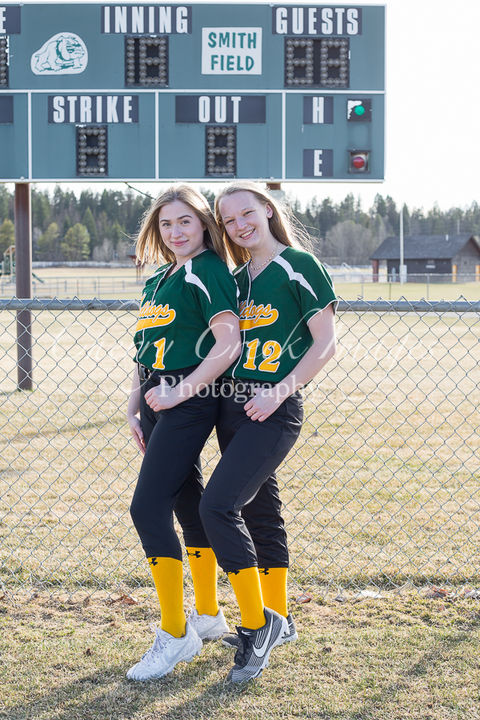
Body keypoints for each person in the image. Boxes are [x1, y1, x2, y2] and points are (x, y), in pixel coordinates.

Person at [198, 181, 337, 683]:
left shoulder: (299, 264)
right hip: (233, 407)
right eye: (229, 220)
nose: (239, 225)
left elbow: (325, 343)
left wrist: (278, 392)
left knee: (217, 506)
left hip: (273, 406)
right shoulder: (236, 279)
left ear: (268, 210)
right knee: (260, 509)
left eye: (247, 213)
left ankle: (259, 626)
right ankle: (282, 617)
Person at [126, 185, 240, 682]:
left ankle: (176, 633)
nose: (175, 232)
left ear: (203, 225)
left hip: (188, 399)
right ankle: (208, 615)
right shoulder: (159, 277)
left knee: (146, 508)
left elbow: (228, 344)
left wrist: (180, 392)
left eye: (185, 222)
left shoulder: (208, 269)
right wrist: (134, 404)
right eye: (166, 223)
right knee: (186, 504)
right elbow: (145, 348)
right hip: (158, 397)